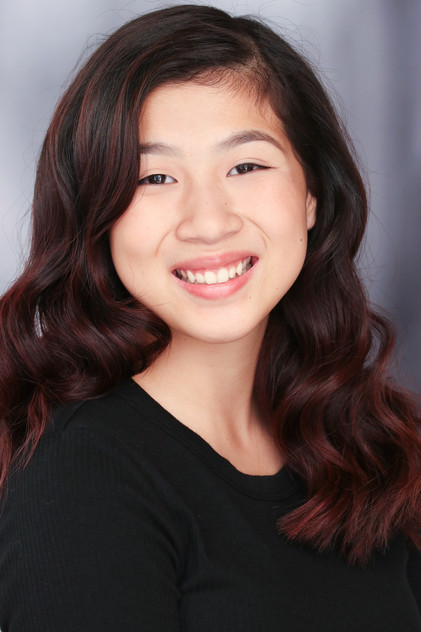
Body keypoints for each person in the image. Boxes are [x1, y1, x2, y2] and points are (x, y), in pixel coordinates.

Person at [0, 4, 420, 630]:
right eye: (155, 177)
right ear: (97, 215)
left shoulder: (367, 443)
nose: (208, 222)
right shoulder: (80, 476)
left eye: (245, 166)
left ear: (312, 193)